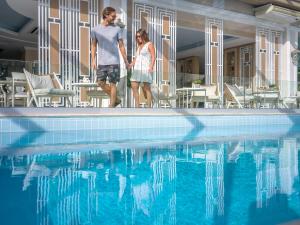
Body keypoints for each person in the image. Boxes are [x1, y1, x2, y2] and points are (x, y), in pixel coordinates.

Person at [91, 7, 129, 107]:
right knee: (100, 83)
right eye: (113, 16)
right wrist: (93, 60)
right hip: (101, 62)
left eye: (115, 16)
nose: (114, 18)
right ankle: (116, 99)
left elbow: (121, 46)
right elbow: (94, 45)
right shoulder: (95, 29)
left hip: (114, 62)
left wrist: (125, 60)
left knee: (113, 84)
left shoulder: (117, 29)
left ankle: (111, 107)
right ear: (106, 15)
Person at [129, 29, 155, 108]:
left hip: (145, 69)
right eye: (137, 37)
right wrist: (130, 65)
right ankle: (137, 106)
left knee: (147, 88)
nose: (138, 38)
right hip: (137, 69)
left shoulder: (149, 44)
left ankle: (149, 106)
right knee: (134, 85)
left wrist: (151, 66)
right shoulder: (139, 46)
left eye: (139, 36)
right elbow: (136, 58)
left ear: (144, 36)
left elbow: (153, 56)